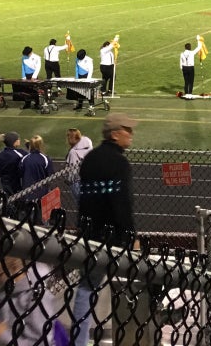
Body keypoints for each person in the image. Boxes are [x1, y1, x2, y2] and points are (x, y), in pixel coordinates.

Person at [72, 113, 138, 346]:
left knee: (86, 289)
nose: (131, 135)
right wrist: (131, 236)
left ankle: (79, 341)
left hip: (90, 234)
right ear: (115, 134)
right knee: (138, 281)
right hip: (114, 238)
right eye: (127, 130)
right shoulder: (119, 163)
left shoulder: (90, 158)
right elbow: (121, 203)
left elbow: (85, 199)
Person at [18, 135, 54, 225]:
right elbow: (51, 176)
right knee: (44, 219)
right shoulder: (45, 159)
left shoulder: (24, 159)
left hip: (27, 193)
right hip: (42, 193)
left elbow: (20, 173)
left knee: (28, 219)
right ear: (41, 145)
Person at [0, 132, 26, 203]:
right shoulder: (20, 154)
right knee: (18, 201)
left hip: (4, 182)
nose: (19, 140)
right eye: (18, 139)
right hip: (17, 183)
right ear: (14, 142)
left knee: (7, 200)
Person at [65, 128, 93, 201]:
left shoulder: (73, 152)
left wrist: (68, 180)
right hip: (90, 178)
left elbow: (72, 172)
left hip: (77, 181)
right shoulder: (88, 142)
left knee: (80, 203)